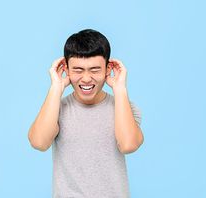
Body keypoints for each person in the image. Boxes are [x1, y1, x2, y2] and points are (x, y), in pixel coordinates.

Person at [28, 29, 144, 197]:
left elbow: (128, 145)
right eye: (78, 70)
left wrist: (119, 88)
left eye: (95, 70)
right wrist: (56, 87)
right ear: (66, 70)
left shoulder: (126, 108)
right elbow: (39, 142)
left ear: (108, 69)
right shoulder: (55, 109)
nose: (87, 78)